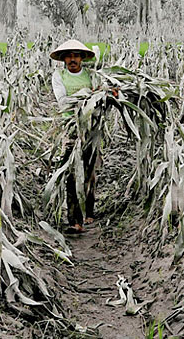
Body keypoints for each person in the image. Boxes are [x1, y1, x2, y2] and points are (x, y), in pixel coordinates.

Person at [49, 39, 116, 234]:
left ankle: (89, 211)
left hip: (92, 129)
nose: (72, 59)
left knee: (89, 172)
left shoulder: (92, 76)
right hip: (71, 129)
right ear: (63, 59)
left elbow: (103, 98)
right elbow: (63, 102)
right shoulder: (59, 76)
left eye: (76, 56)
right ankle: (75, 221)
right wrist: (90, 95)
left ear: (82, 58)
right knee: (72, 174)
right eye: (69, 56)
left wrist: (110, 94)